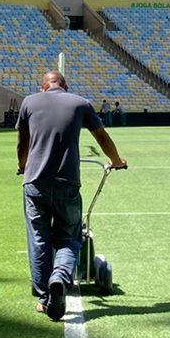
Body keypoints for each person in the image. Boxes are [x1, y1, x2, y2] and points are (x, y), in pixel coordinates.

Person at [16, 70, 126, 322]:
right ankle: (60, 277)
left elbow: (22, 142)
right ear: (64, 86)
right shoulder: (80, 103)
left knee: (39, 239)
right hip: (67, 184)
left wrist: (22, 165)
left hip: (35, 183)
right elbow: (102, 136)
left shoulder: (28, 102)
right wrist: (116, 161)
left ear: (43, 88)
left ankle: (45, 298)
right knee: (68, 236)